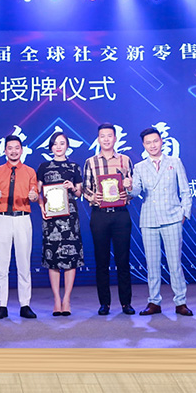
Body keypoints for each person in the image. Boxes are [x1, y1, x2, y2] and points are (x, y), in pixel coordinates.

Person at [130, 127, 193, 316]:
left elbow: (185, 190)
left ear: (161, 141)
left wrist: (184, 213)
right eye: (148, 142)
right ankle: (154, 302)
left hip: (172, 218)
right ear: (143, 145)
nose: (152, 145)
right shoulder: (139, 167)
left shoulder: (174, 162)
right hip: (149, 220)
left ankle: (180, 302)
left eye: (155, 141)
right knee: (152, 264)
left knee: (175, 264)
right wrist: (128, 187)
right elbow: (135, 192)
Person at [82, 123, 135, 315]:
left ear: (115, 138)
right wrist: (92, 197)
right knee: (101, 260)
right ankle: (104, 303)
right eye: (102, 136)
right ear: (98, 139)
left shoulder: (125, 160)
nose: (106, 139)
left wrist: (128, 188)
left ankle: (126, 303)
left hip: (121, 214)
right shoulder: (90, 162)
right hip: (99, 216)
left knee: (123, 259)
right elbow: (85, 188)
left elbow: (133, 188)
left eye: (109, 136)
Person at [0, 135, 39, 319]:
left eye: (17, 148)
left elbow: (35, 194)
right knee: (1, 264)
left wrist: (34, 197)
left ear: (21, 150)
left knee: (24, 263)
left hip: (23, 219)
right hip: (2, 219)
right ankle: (1, 305)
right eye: (10, 148)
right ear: (5, 151)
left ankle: (25, 305)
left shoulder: (30, 172)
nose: (14, 151)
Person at [37, 131, 84, 316]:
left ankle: (67, 299)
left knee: (70, 258)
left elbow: (79, 192)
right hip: (51, 219)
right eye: (55, 143)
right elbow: (38, 192)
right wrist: (41, 206)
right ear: (51, 147)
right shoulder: (43, 167)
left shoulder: (74, 167)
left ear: (67, 146)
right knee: (53, 259)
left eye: (62, 143)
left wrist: (72, 187)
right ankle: (56, 299)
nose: (58, 146)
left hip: (70, 218)